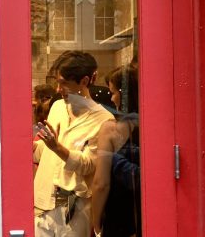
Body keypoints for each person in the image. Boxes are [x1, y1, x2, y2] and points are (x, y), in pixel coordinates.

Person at [33, 51, 114, 237]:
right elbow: (47, 153)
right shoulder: (58, 107)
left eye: (64, 83)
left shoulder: (104, 120)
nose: (58, 89)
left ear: (84, 81)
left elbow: (90, 165)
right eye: (57, 82)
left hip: (75, 210)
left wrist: (57, 147)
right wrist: (31, 147)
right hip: (43, 201)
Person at [90, 66, 140, 237]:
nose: (111, 98)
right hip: (149, 209)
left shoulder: (111, 129)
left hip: (119, 214)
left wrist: (95, 221)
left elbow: (101, 183)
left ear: (123, 94)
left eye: (113, 92)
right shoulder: (156, 125)